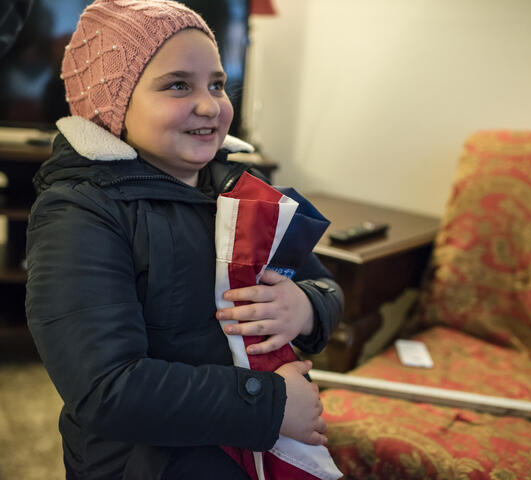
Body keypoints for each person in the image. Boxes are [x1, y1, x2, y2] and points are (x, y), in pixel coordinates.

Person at [24, 1, 343, 479]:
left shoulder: (245, 192)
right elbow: (106, 388)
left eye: (217, 84)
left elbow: (325, 286)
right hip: (150, 465)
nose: (210, 105)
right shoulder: (79, 213)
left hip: (257, 449)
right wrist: (270, 405)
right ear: (113, 104)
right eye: (178, 85)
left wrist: (306, 305)